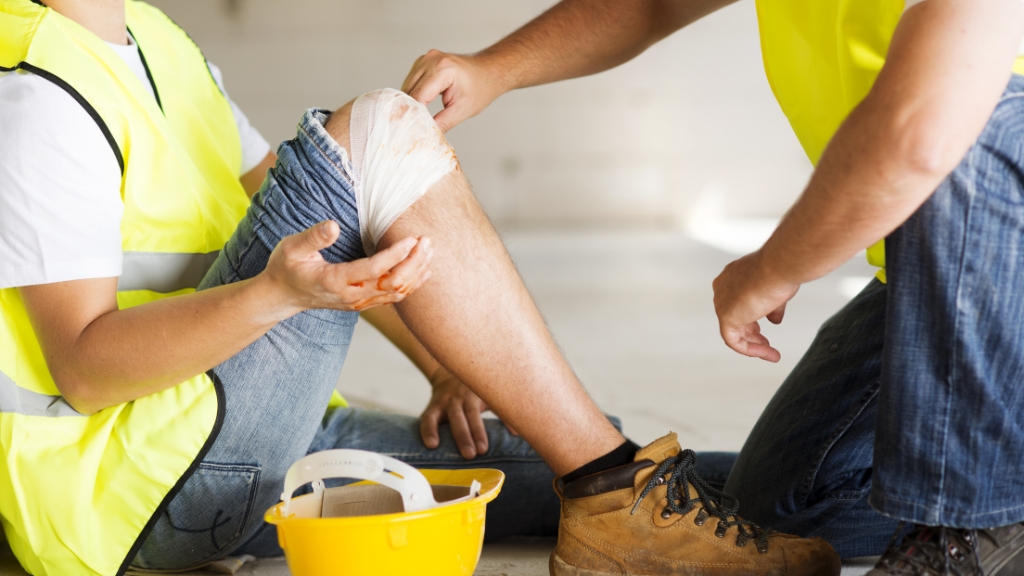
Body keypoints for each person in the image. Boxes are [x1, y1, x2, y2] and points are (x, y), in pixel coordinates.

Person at [0, 0, 838, 575]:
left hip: (238, 442)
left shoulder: (152, 39)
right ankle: (612, 484)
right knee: (377, 125)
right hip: (139, 496)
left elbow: (312, 206)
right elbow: (84, 366)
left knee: (701, 487)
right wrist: (274, 298)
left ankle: (898, 519)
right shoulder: (38, 88)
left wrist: (443, 364)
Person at [403, 0, 1024, 573]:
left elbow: (925, 132)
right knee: (787, 509)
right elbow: (652, 3)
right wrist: (492, 69)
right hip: (937, 272)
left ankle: (973, 526)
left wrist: (775, 267)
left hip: (1000, 241)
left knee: (968, 117)